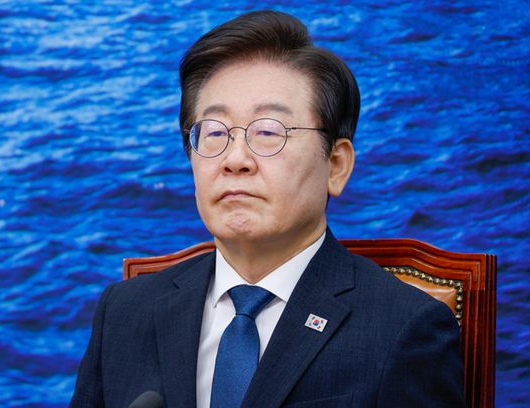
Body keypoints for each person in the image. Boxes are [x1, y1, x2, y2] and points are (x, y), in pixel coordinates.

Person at [71, 10, 464, 408]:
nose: (235, 160)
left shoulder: (402, 328)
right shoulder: (124, 312)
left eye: (268, 131)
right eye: (215, 132)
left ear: (336, 165)